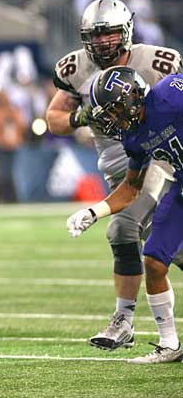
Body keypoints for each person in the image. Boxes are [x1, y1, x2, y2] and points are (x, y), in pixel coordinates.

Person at [46, 0, 183, 351]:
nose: (102, 42)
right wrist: (81, 117)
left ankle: (123, 320)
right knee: (164, 249)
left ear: (125, 31)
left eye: (108, 34)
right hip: (123, 162)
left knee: (126, 229)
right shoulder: (75, 68)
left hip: (163, 157)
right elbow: (54, 119)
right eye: (94, 35)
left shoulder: (159, 66)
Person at [68, 66, 183, 363]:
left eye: (117, 110)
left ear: (133, 94)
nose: (115, 119)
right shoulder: (133, 137)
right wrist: (93, 212)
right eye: (110, 114)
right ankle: (170, 344)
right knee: (154, 260)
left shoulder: (169, 93)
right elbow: (131, 187)